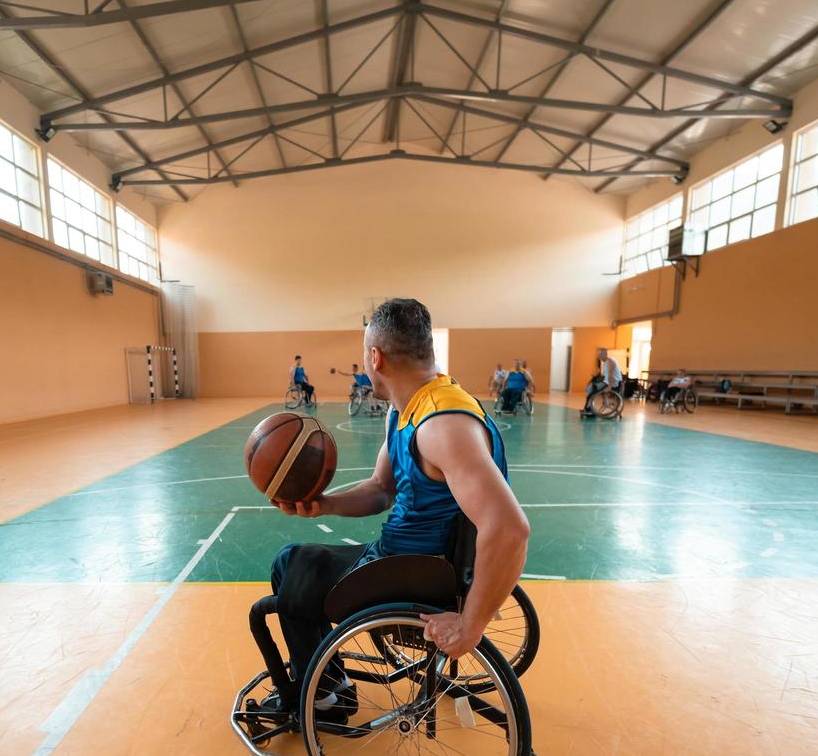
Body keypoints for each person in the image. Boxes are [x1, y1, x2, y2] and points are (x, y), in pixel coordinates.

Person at [250, 298, 531, 717]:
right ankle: (328, 681)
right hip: (408, 560)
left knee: (290, 564)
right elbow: (382, 489)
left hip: (415, 574)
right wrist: (323, 504)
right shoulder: (411, 408)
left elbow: (510, 528)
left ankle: (325, 696)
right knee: (299, 564)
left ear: (375, 357)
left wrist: (471, 624)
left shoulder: (441, 426)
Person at [582, 348, 622, 418]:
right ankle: (588, 407)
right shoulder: (606, 362)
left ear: (605, 354)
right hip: (607, 381)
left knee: (592, 388)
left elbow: (611, 375)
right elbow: (605, 376)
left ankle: (590, 409)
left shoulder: (610, 362)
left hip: (612, 382)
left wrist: (609, 386)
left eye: (600, 355)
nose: (599, 356)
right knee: (591, 385)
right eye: (598, 355)